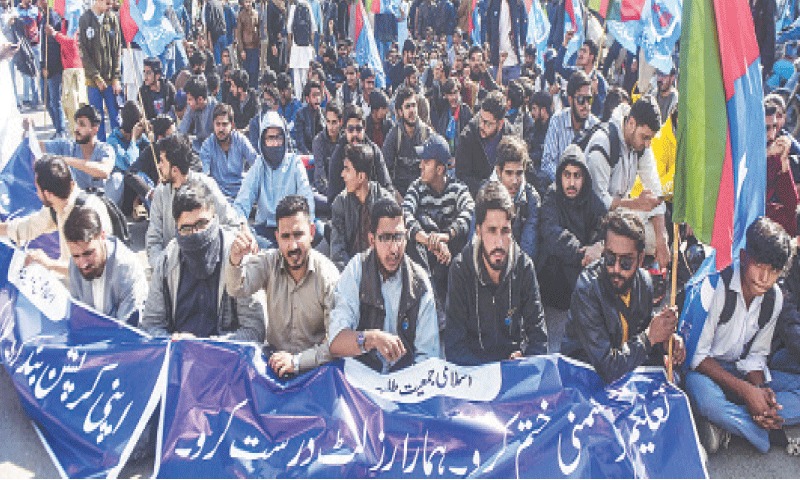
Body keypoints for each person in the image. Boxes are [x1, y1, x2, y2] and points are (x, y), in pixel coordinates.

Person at [686, 217, 800, 455]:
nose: (765, 277)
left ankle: (728, 427)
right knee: (707, 400)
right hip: (706, 372)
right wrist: (747, 392)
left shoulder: (774, 298)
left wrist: (759, 390)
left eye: (774, 271)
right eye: (759, 266)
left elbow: (756, 356)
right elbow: (696, 356)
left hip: (739, 370)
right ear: (743, 256)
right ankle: (768, 432)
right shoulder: (718, 284)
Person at [562, 209, 682, 383]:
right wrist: (650, 337)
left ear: (640, 259)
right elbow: (607, 367)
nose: (616, 269)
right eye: (610, 258)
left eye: (626, 262)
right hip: (585, 376)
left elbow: (644, 332)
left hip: (623, 370)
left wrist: (664, 340)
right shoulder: (588, 289)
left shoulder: (644, 283)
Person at [226, 195, 340, 376]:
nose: (293, 245)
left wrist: (298, 362)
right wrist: (235, 259)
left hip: (314, 370)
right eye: (286, 237)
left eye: (298, 235)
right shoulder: (269, 262)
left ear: (311, 232)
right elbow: (236, 288)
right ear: (277, 237)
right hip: (274, 365)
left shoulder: (328, 276)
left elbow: (336, 343)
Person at [141, 179, 266, 342]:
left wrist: (208, 346)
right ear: (177, 228)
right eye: (186, 228)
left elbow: (255, 330)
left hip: (226, 353)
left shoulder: (238, 259)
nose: (196, 233)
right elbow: (150, 326)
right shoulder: (166, 262)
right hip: (178, 351)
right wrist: (173, 340)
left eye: (202, 224)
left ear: (214, 218)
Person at [328, 197, 440, 372]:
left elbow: (428, 358)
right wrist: (371, 339)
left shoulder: (419, 283)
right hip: (363, 377)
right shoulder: (357, 270)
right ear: (372, 240)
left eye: (399, 237)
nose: (394, 249)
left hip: (405, 378)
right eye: (386, 238)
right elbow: (336, 342)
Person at [444, 181, 547, 365]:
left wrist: (525, 360)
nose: (499, 242)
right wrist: (489, 372)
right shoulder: (460, 270)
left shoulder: (524, 267)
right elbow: (454, 348)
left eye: (505, 231)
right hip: (474, 369)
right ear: (478, 231)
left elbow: (539, 338)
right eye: (491, 231)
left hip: (512, 367)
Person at [585, 95, 670, 269]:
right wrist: (635, 204)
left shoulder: (640, 145)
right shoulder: (603, 143)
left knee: (658, 232)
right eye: (644, 137)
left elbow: (655, 190)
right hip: (593, 222)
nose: (648, 144)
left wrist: (662, 239)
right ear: (631, 123)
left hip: (619, 213)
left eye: (650, 139)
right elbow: (598, 202)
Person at [537, 145, 607, 352]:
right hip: (556, 274)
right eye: (567, 175)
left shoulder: (590, 199)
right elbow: (551, 232)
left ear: (584, 178)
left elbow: (606, 225)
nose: (572, 182)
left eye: (577, 176)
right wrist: (581, 252)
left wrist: (599, 246)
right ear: (560, 176)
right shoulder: (552, 196)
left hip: (581, 269)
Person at [0, 155, 112, 276]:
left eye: (37, 189)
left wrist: (49, 264)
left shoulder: (90, 211)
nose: (37, 193)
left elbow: (94, 268)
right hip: (72, 280)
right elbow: (29, 227)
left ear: (48, 194)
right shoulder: (56, 207)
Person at [146, 133, 242, 268]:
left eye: (162, 161)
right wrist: (162, 267)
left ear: (175, 170)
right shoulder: (160, 193)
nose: (159, 166)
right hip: (172, 268)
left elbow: (232, 226)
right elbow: (153, 240)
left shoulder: (206, 186)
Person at [403, 133, 473, 311]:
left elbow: (469, 211)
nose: (421, 165)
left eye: (426, 162)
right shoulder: (417, 187)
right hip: (427, 255)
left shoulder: (457, 188)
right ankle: (432, 298)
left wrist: (446, 236)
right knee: (413, 238)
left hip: (450, 256)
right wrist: (430, 241)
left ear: (440, 169)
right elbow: (405, 214)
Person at [234, 110, 316, 249]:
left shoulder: (295, 163)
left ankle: (280, 250)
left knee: (318, 230)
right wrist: (243, 227)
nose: (275, 143)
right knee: (245, 236)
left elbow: (307, 198)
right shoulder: (258, 166)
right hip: (265, 228)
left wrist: (307, 225)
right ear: (263, 141)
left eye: (278, 137)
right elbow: (241, 203)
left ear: (284, 139)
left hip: (291, 226)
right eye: (270, 138)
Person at [64, 206, 147, 325]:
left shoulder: (127, 270)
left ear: (102, 237)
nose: (83, 264)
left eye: (88, 253)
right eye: (76, 256)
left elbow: (127, 330)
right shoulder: (74, 264)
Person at [331, 144, 396, 270]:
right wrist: (354, 275)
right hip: (351, 270)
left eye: (347, 169)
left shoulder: (385, 202)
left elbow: (392, 247)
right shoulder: (340, 203)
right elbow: (338, 253)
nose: (342, 174)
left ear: (361, 177)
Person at [30, 104, 116, 198]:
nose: (77, 128)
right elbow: (34, 146)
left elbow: (104, 171)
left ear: (94, 130)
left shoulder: (105, 149)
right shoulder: (67, 146)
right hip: (76, 202)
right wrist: (28, 130)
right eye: (77, 123)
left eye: (82, 124)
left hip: (101, 202)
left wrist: (67, 160)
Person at [327, 104, 395, 204]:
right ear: (345, 130)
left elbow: (387, 188)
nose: (355, 134)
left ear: (365, 129)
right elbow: (332, 198)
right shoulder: (338, 156)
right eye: (350, 129)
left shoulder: (374, 151)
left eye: (358, 129)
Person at [541, 71, 599, 183]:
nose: (586, 105)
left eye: (589, 100)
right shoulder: (557, 121)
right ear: (570, 100)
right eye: (581, 100)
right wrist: (565, 181)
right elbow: (547, 162)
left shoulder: (595, 126)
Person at [488, 136, 540, 262]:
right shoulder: (485, 196)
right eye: (509, 173)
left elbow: (528, 247)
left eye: (519, 173)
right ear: (499, 171)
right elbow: (476, 241)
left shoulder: (531, 199)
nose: (515, 181)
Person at [455, 90, 515, 196]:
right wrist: (486, 188)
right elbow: (461, 177)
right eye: (481, 119)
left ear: (500, 124)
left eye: (488, 124)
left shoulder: (510, 135)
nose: (481, 126)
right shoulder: (468, 137)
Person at [78, 0, 122, 142]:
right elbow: (84, 53)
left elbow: (117, 50)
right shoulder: (85, 19)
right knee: (97, 121)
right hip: (93, 82)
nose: (110, 5)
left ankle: (118, 148)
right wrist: (96, 77)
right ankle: (100, 148)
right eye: (107, 2)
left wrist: (116, 77)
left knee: (116, 118)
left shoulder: (112, 18)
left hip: (110, 80)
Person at [199, 102, 258, 201]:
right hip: (218, 197)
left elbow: (256, 163)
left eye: (225, 124)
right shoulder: (207, 145)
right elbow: (205, 175)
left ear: (232, 125)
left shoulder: (240, 139)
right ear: (213, 125)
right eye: (218, 124)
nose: (221, 129)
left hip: (241, 194)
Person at [383, 85, 433, 196]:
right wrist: (394, 192)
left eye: (414, 105)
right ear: (400, 112)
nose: (412, 110)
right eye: (407, 107)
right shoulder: (394, 135)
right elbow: (384, 170)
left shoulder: (427, 134)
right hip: (399, 193)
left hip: (422, 192)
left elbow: (434, 169)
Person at [765, 101, 799, 237]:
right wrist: (765, 154)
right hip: (738, 211)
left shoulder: (775, 152)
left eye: (774, 127)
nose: (772, 135)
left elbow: (792, 206)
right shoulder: (742, 150)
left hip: (763, 211)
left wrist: (784, 163)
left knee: (794, 220)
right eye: (766, 128)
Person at [554, 34, 607, 117]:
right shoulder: (576, 73)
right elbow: (558, 67)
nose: (581, 54)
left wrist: (596, 92)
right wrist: (565, 42)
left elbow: (601, 109)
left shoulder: (599, 80)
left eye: (584, 51)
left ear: (591, 57)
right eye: (581, 51)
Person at [106, 101, 147, 204]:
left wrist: (151, 135)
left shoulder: (141, 137)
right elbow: (128, 165)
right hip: (121, 191)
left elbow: (154, 153)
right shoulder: (112, 141)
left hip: (137, 188)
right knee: (117, 178)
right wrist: (133, 141)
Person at [482, 0, 526, 85]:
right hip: (497, 61)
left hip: (514, 61)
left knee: (514, 91)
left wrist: (519, 45)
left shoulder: (517, 3)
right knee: (497, 90)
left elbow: (524, 26)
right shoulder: (493, 3)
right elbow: (488, 28)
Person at [178, 74, 218, 151]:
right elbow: (182, 130)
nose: (187, 102)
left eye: (190, 99)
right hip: (199, 144)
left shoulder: (215, 109)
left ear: (200, 99)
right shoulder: (191, 107)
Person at [287, 0, 317, 100]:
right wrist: (310, 44)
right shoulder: (308, 6)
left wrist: (290, 47)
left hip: (295, 48)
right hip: (306, 49)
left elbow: (289, 28)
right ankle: (306, 99)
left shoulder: (293, 7)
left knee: (296, 78)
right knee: (305, 77)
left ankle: (298, 99)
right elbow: (313, 28)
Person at [434, 77, 472, 157]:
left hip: (461, 157)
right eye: (450, 94)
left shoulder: (465, 110)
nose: (454, 97)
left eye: (455, 93)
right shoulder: (442, 109)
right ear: (446, 95)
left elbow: (470, 138)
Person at [312, 99, 342, 197]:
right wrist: (331, 194)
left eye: (334, 122)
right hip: (325, 193)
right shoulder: (318, 141)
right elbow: (320, 176)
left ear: (340, 122)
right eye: (328, 122)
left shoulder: (345, 140)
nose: (330, 127)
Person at [292, 79, 325, 154]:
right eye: (314, 96)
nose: (317, 98)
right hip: (306, 155)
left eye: (318, 95)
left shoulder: (324, 113)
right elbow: (300, 142)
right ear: (307, 99)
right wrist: (310, 155)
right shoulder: (301, 114)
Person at [235, 0, 260, 89]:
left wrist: (260, 47)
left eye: (249, 2)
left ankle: (254, 91)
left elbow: (259, 30)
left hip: (255, 48)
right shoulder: (241, 15)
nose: (248, 4)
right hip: (246, 49)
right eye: (246, 2)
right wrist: (242, 50)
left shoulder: (256, 14)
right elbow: (239, 34)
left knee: (255, 72)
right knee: (247, 73)